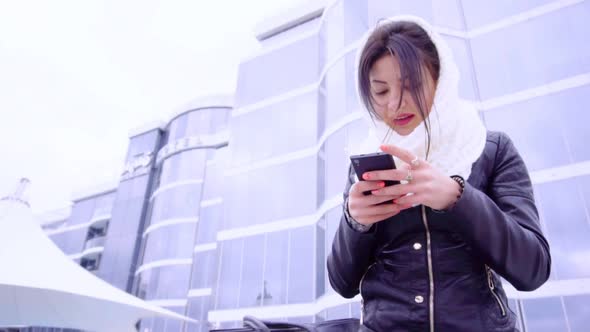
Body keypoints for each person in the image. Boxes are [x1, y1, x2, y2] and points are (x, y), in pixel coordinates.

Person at [327, 15, 551, 332]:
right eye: (380, 91)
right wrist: (356, 223)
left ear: (440, 78)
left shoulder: (490, 150)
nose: (394, 103)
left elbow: (533, 268)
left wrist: (457, 198)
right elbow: (342, 282)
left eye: (412, 85)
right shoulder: (368, 164)